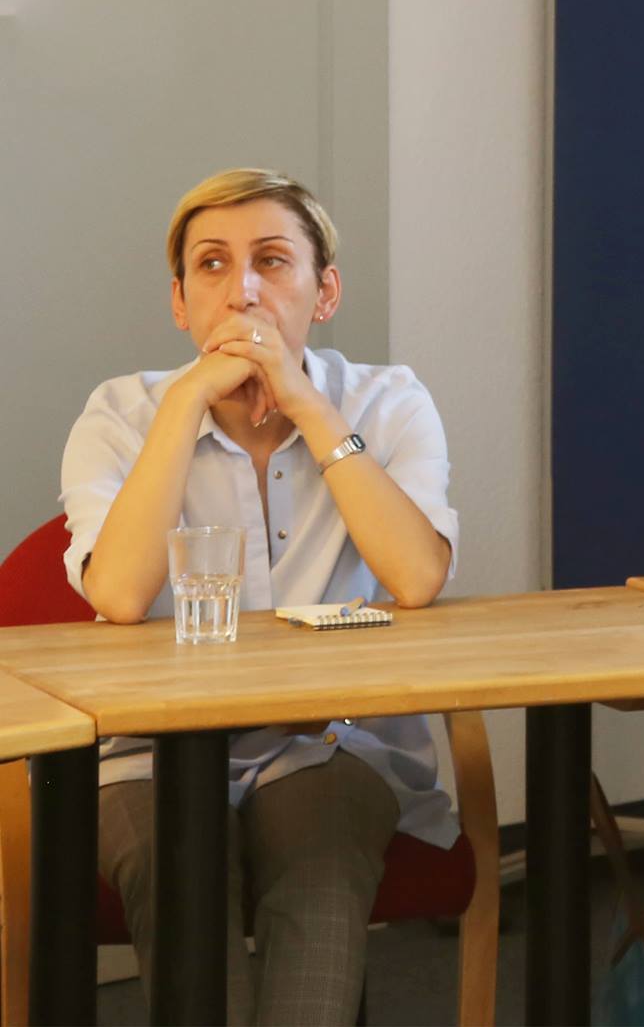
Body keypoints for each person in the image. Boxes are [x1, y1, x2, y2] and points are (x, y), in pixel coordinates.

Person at [59, 169, 459, 1025]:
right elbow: (119, 594)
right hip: (147, 750)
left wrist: (308, 404)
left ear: (325, 291)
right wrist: (185, 406)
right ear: (180, 301)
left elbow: (418, 576)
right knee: (177, 862)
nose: (241, 290)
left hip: (332, 740)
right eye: (212, 264)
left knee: (319, 866)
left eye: (272, 260)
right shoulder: (118, 414)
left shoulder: (389, 401)